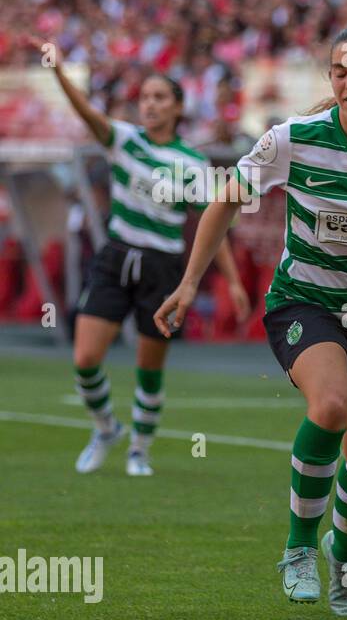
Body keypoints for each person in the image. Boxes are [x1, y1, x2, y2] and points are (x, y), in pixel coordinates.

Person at [154, 21, 347, 616]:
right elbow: (225, 201)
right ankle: (299, 549)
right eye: (340, 72)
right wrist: (188, 285)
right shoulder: (293, 138)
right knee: (330, 405)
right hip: (303, 301)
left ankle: (344, 554)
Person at [29, 34, 250, 478]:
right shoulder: (124, 139)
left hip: (161, 267)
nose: (148, 105)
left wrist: (234, 281)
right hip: (115, 258)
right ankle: (106, 427)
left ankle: (139, 452)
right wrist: (56, 69)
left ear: (177, 107)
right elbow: (86, 113)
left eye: (159, 98)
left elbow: (214, 227)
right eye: (145, 97)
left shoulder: (192, 164)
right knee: (85, 358)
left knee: (149, 367)